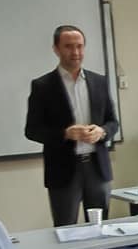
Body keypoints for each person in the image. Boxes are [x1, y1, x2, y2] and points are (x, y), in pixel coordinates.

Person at [25, 25, 119, 227]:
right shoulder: (43, 86)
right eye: (68, 46)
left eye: (79, 46)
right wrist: (65, 134)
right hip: (63, 171)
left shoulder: (99, 82)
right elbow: (32, 130)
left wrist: (102, 131)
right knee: (65, 228)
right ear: (56, 49)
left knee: (100, 229)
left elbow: (113, 122)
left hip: (97, 168)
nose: (75, 52)